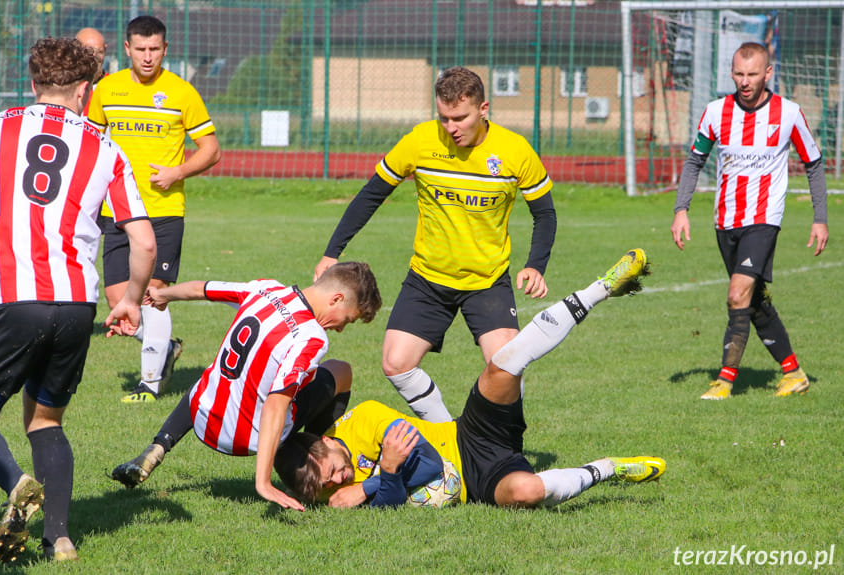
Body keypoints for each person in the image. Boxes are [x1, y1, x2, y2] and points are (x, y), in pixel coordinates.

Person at [278, 250, 665, 509]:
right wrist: (384, 479)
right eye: (332, 485)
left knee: (502, 365)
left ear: (324, 442)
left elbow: (429, 466)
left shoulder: (364, 419)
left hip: (470, 436)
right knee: (526, 492)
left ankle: (602, 288)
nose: (339, 480)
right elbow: (390, 504)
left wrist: (371, 482)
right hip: (477, 481)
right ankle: (608, 468)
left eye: (332, 473)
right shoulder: (330, 485)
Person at [0, 38, 156, 562]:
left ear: (34, 85)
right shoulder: (107, 148)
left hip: (12, 299)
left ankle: (15, 483)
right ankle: (60, 538)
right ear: (86, 89)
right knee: (46, 421)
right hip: (77, 304)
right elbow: (143, 241)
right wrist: (131, 300)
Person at [313, 66, 556, 423]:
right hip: (427, 278)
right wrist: (332, 251)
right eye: (443, 118)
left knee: (506, 368)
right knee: (395, 363)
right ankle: (448, 437)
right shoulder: (421, 141)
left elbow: (545, 214)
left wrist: (536, 264)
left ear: (483, 109)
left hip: (486, 280)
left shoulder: (514, 150)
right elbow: (371, 195)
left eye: (460, 118)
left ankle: (502, 450)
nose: (451, 127)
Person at [110, 262, 382, 511]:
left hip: (206, 420)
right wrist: (263, 482)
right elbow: (277, 402)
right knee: (340, 371)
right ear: (337, 299)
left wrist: (161, 295)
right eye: (348, 319)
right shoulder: (311, 337)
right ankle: (319, 462)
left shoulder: (265, 289)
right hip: (250, 439)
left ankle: (160, 445)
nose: (342, 328)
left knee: (214, 376)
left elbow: (201, 288)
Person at [670, 42, 829, 400]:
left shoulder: (788, 113)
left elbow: (814, 164)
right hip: (725, 220)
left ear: (767, 74)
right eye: (739, 74)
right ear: (732, 73)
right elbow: (694, 161)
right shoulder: (715, 112)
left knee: (737, 293)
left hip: (764, 219)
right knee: (752, 301)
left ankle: (725, 381)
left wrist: (820, 219)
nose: (745, 81)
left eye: (752, 74)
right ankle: (794, 373)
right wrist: (682, 209)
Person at [87, 15, 222, 403]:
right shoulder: (106, 91)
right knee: (119, 301)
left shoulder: (182, 93)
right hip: (116, 210)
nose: (148, 57)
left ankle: (148, 385)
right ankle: (165, 345)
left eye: (155, 49)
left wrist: (178, 171)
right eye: (141, 49)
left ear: (166, 49)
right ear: (127, 49)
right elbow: (92, 144)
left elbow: (211, 150)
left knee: (151, 296)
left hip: (164, 210)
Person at [75, 27, 107, 115]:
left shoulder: (113, 86)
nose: (94, 57)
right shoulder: (64, 86)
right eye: (88, 51)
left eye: (99, 52)